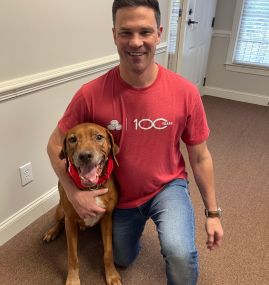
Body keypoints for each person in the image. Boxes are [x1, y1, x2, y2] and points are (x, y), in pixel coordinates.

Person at [47, 0, 224, 284]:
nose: (136, 42)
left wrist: (213, 213)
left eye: (145, 31)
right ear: (114, 34)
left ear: (159, 33)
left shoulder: (185, 92)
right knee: (122, 258)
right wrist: (73, 193)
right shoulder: (90, 94)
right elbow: (53, 145)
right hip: (122, 195)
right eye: (126, 32)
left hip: (168, 186)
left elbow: (200, 156)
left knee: (179, 252)